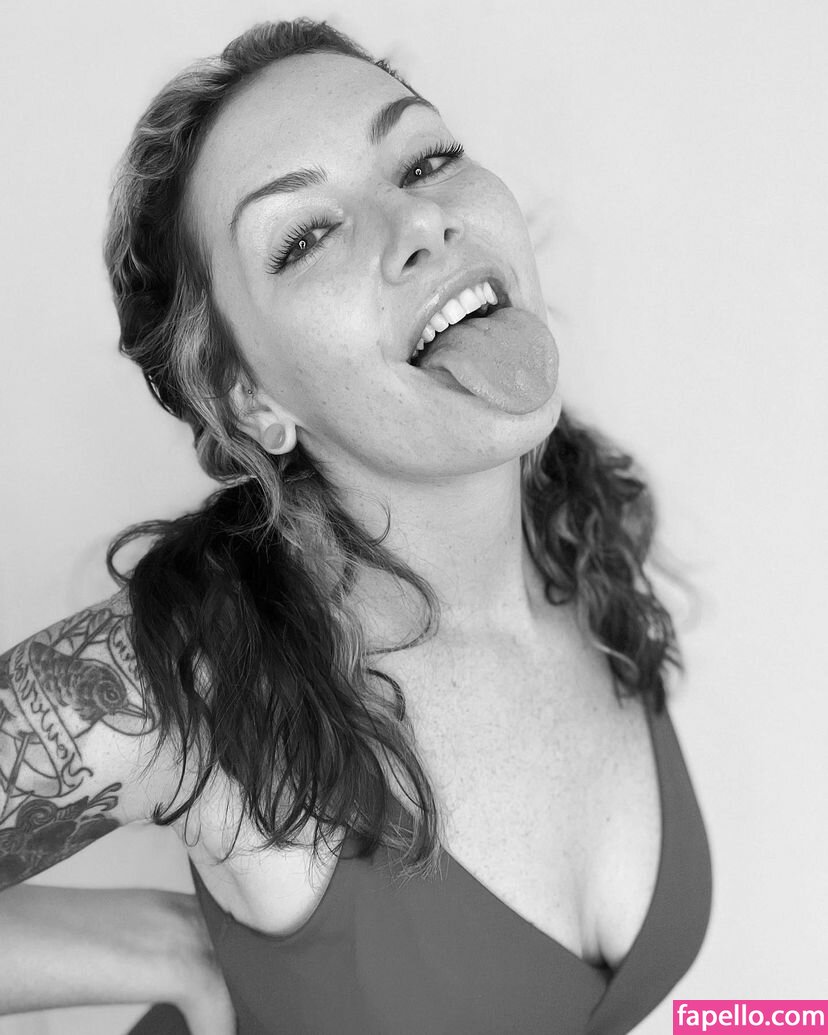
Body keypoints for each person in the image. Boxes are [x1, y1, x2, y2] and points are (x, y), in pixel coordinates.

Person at [0, 18, 711, 1035]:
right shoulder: (186, 685)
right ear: (249, 399)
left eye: (426, 158)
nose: (420, 218)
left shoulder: (585, 535)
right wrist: (165, 947)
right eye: (305, 237)